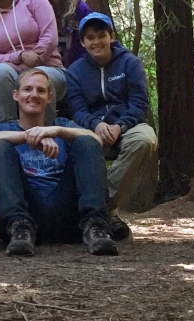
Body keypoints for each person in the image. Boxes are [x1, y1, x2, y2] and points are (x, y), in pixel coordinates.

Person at [0, 68, 118, 257]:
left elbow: (96, 141)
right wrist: (26, 136)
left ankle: (95, 226)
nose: (34, 95)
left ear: (50, 97)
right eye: (27, 89)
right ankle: (19, 227)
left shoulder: (62, 125)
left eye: (41, 90)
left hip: (68, 214)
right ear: (16, 95)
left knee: (86, 142)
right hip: (24, 217)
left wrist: (56, 131)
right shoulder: (2, 128)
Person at [66, 12, 158, 241]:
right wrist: (96, 124)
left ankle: (102, 206)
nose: (96, 42)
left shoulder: (130, 63)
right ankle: (105, 215)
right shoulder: (75, 71)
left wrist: (120, 126)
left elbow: (139, 103)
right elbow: (77, 110)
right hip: (91, 128)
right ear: (83, 42)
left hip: (127, 125)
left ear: (111, 37)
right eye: (90, 37)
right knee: (74, 143)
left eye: (101, 35)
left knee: (145, 139)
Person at [30, 0, 91, 68]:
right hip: (42, 68)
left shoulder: (80, 8)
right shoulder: (32, 8)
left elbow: (87, 44)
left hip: (75, 69)